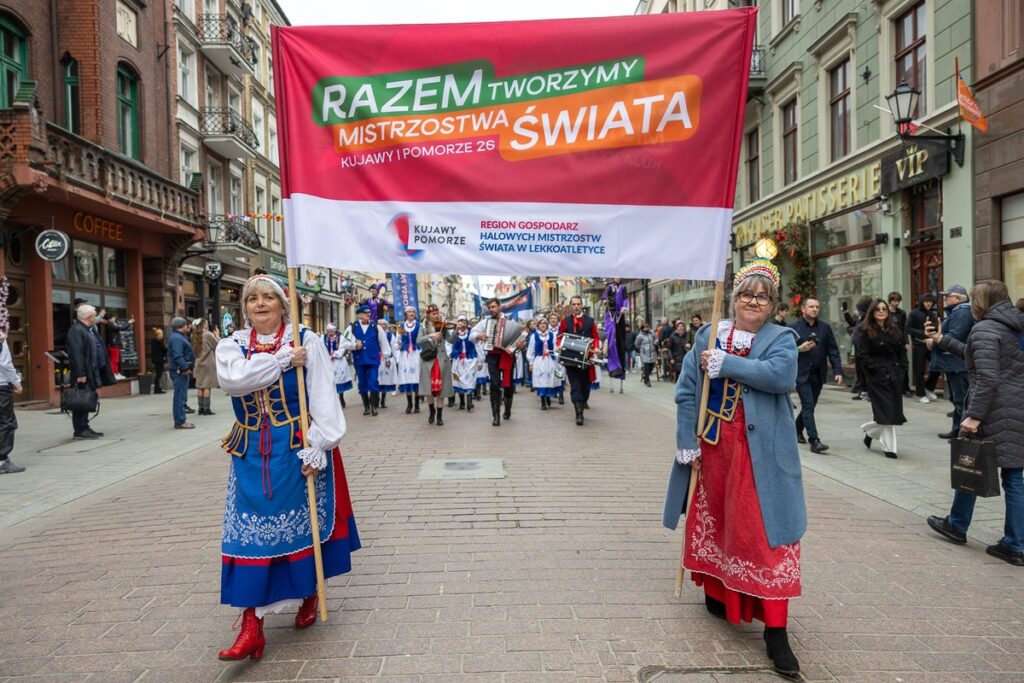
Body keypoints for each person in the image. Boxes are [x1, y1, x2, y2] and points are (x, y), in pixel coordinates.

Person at [664, 259, 804, 678]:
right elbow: (687, 391)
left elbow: (781, 376)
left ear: (773, 304)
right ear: (734, 298)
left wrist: (727, 364)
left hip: (761, 455)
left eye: (762, 297)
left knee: (763, 536)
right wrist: (687, 442)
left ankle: (776, 631)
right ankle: (718, 591)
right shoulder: (709, 333)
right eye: (746, 294)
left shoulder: (782, 338)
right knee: (717, 522)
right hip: (713, 448)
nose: (752, 302)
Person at [215, 274, 359, 660]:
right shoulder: (232, 346)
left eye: (268, 298)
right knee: (249, 535)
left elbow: (323, 395)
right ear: (244, 308)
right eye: (251, 299)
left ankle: (309, 593)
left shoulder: (305, 340)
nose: (259, 304)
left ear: (283, 304)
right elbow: (234, 381)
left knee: (299, 525)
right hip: (249, 451)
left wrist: (319, 446)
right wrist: (281, 360)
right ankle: (251, 625)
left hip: (296, 444)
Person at [926, 280, 1024, 567]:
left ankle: (957, 525)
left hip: (994, 409)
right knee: (1014, 476)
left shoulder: (984, 329)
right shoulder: (1016, 326)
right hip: (1018, 407)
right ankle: (1015, 544)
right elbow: (979, 354)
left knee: (970, 463)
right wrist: (943, 340)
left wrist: (974, 416)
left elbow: (988, 377)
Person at [789, 297, 843, 453]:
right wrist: (799, 349)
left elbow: (833, 351)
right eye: (811, 306)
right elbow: (784, 350)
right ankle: (815, 441)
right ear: (803, 309)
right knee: (807, 404)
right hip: (801, 373)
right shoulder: (793, 328)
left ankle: (797, 429)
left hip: (818, 374)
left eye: (817, 307)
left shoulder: (825, 328)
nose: (814, 309)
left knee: (810, 406)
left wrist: (838, 370)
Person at [856, 299, 908, 459]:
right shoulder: (864, 330)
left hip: (894, 374)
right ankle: (890, 448)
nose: (881, 311)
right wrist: (875, 368)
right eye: (877, 309)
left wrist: (902, 368)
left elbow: (901, 351)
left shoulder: (895, 330)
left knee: (891, 412)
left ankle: (869, 432)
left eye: (884, 309)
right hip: (876, 376)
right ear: (872, 312)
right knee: (886, 412)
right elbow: (862, 355)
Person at [932, 284, 974, 439]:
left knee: (961, 399)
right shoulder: (958, 312)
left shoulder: (962, 313)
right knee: (956, 398)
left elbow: (954, 336)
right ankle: (957, 430)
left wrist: (935, 341)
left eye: (947, 296)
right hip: (953, 363)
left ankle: (961, 433)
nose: (945, 299)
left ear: (957, 298)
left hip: (958, 363)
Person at [473, 298, 522, 426]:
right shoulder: (485, 322)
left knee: (508, 385)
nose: (491, 309)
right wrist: (478, 336)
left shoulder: (510, 321)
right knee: (494, 385)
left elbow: (519, 339)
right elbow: (471, 334)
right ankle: (496, 415)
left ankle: (507, 409)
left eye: (493, 307)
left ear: (499, 306)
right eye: (489, 307)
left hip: (507, 356)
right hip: (493, 356)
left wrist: (521, 345)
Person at [556, 295, 600, 426]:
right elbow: (560, 336)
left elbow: (595, 337)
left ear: (582, 305)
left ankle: (583, 401)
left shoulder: (590, 321)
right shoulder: (565, 321)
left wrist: (596, 347)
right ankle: (578, 414)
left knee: (585, 386)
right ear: (570, 306)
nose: (576, 307)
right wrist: (559, 345)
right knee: (575, 386)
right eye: (573, 304)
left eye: (578, 304)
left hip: (586, 359)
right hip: (570, 358)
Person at [65, 305, 104, 440]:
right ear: (89, 317)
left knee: (86, 398)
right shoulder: (76, 330)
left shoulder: (86, 329)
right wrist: (80, 374)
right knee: (80, 400)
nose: (95, 318)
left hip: (89, 370)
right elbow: (77, 354)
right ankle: (79, 429)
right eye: (94, 315)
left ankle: (85, 426)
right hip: (82, 373)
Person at [349, 304, 392, 416]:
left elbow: (384, 342)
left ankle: (374, 406)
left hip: (373, 359)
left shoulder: (375, 326)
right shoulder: (352, 327)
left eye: (369, 313)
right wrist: (354, 346)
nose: (368, 314)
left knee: (373, 382)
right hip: (359, 359)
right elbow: (344, 343)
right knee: (362, 384)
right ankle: (366, 406)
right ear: (359, 315)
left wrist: (387, 357)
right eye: (365, 313)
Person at [417, 305, 455, 425]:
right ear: (428, 315)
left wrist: (457, 330)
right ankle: (432, 411)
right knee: (429, 389)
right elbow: (418, 341)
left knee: (441, 390)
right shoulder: (423, 327)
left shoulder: (442, 326)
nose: (437, 315)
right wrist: (430, 336)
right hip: (429, 360)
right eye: (434, 314)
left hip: (441, 360)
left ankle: (439, 416)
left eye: (437, 313)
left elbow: (451, 340)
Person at [906, 293, 940, 403]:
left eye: (930, 302)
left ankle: (929, 387)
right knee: (919, 369)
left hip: (931, 344)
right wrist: (922, 334)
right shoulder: (914, 314)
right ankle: (920, 393)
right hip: (919, 344)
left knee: (936, 366)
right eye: (926, 301)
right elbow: (908, 329)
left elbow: (935, 329)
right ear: (922, 302)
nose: (928, 304)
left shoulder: (933, 314)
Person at [0, 331, 24, 474]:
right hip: (1, 386)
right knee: (6, 422)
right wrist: (16, 382)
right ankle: (2, 460)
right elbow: (5, 364)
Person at [168, 317, 196, 430]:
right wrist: (184, 368)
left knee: (181, 396)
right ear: (182, 326)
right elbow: (177, 354)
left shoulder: (178, 337)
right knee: (180, 396)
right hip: (179, 371)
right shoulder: (177, 339)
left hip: (181, 370)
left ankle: (180, 420)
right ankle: (180, 421)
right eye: (186, 325)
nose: (187, 327)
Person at [526, 318, 559, 410]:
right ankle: (542, 401)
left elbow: (556, 347)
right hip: (539, 360)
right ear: (538, 325)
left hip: (550, 360)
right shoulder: (534, 336)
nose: (543, 325)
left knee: (549, 379)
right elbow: (531, 350)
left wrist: (557, 357)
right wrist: (531, 363)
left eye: (545, 323)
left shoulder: (552, 335)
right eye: (541, 323)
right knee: (541, 380)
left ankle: (548, 396)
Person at [396, 306, 423, 414]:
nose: (411, 313)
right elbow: (397, 341)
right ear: (405, 314)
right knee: (407, 378)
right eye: (409, 311)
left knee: (416, 378)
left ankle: (416, 404)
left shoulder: (419, 325)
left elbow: (422, 339)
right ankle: (409, 404)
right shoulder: (401, 327)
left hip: (416, 353)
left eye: (413, 311)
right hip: (405, 354)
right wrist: (398, 345)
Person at [449, 315, 478, 412]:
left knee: (469, 380)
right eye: (460, 321)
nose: (462, 323)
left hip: (470, 360)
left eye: (464, 321)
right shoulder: (454, 334)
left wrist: (480, 360)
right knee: (458, 380)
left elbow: (477, 345)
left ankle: (469, 402)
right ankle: (462, 401)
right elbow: (449, 345)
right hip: (458, 361)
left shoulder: (471, 332)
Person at [322, 323, 354, 408]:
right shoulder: (324, 337)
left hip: (338, 362)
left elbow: (342, 348)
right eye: (328, 331)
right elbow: (321, 347)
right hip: (328, 361)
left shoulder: (341, 337)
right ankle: (332, 400)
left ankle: (341, 397)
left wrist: (334, 355)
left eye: (331, 331)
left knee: (339, 380)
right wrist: (326, 356)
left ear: (335, 330)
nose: (330, 333)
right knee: (329, 380)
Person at [192, 318, 219, 416]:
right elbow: (218, 345)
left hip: (198, 362)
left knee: (200, 386)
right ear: (203, 324)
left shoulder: (194, 335)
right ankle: (207, 409)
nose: (207, 324)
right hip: (208, 363)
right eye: (206, 323)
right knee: (207, 386)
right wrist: (217, 336)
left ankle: (200, 408)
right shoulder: (208, 334)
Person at [602, 279, 628, 380]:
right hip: (610, 315)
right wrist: (605, 301)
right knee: (611, 340)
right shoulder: (609, 287)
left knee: (621, 341)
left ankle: (621, 368)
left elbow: (625, 299)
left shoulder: (623, 287)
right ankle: (613, 367)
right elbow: (604, 297)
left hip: (620, 315)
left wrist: (624, 307)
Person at [887, 291, 912, 396]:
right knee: (891, 365)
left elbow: (904, 329)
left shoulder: (901, 313)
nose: (896, 303)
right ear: (890, 301)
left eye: (898, 301)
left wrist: (906, 342)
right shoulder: (885, 313)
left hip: (900, 342)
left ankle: (905, 387)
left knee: (904, 364)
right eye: (894, 301)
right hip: (889, 343)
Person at [376, 319, 398, 408]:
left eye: (384, 324)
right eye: (380, 324)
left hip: (386, 359)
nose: (382, 326)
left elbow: (393, 348)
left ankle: (383, 400)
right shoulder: (375, 334)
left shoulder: (390, 335)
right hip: (377, 359)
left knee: (385, 379)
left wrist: (393, 359)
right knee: (377, 379)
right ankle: (376, 399)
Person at [635, 322, 657, 387]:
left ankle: (645, 375)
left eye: (647, 327)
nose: (646, 328)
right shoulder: (640, 336)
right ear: (642, 328)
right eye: (644, 327)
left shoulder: (652, 333)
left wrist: (656, 342)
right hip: (645, 353)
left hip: (652, 352)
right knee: (647, 367)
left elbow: (656, 339)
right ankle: (647, 381)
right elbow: (636, 344)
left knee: (652, 366)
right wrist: (642, 349)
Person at [150, 327, 167, 394]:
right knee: (158, 374)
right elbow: (164, 349)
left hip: (158, 359)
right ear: (158, 335)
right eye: (161, 334)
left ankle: (158, 388)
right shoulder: (158, 342)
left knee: (159, 374)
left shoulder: (156, 341)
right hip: (158, 360)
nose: (162, 335)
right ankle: (157, 388)